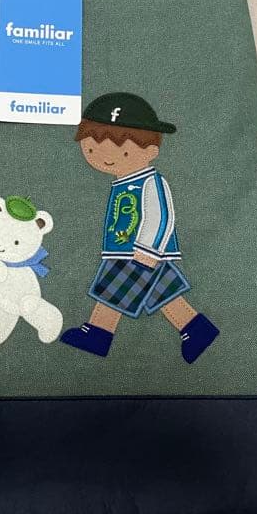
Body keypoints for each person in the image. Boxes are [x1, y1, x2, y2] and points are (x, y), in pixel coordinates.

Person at [59, 92, 220, 363]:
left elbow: (160, 216)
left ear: (152, 151)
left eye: (123, 150)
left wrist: (148, 250)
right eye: (91, 148)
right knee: (164, 293)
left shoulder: (150, 182)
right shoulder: (123, 182)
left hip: (138, 251)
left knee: (113, 289)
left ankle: (97, 335)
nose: (104, 156)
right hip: (126, 250)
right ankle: (197, 330)